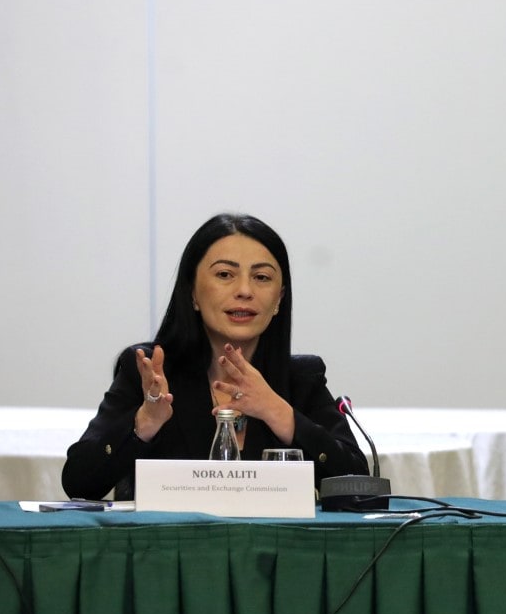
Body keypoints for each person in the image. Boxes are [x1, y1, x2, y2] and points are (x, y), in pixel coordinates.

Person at [63, 213, 369, 500]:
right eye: (225, 274)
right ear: (192, 292)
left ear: (279, 299)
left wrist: (277, 412)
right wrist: (144, 423)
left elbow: (359, 486)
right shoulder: (150, 372)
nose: (245, 290)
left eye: (262, 277)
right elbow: (79, 483)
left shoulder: (301, 379)